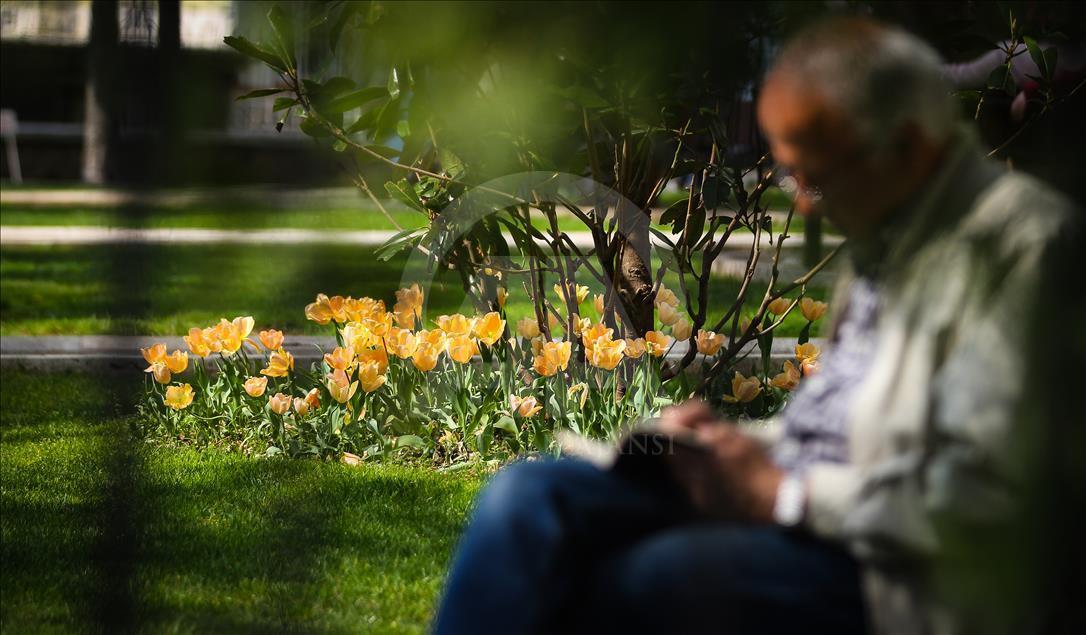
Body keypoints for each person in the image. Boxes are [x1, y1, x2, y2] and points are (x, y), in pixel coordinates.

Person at [432, 17, 1082, 635]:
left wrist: (784, 494)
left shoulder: (1026, 246)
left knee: (644, 579)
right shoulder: (887, 235)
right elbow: (842, 426)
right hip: (798, 506)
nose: (801, 198)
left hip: (899, 573)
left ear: (906, 146)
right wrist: (729, 445)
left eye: (814, 172)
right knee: (527, 497)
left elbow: (984, 498)